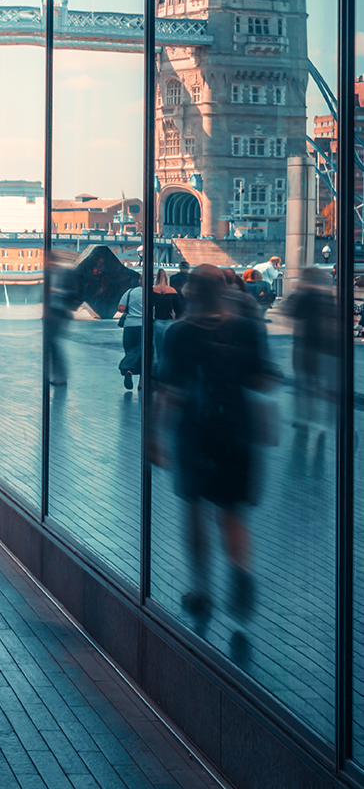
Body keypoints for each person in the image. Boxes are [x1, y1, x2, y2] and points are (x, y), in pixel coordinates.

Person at [155, 264, 273, 646]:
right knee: (233, 512)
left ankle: (201, 588)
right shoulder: (248, 328)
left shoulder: (180, 333)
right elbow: (263, 379)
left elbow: (170, 391)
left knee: (194, 512)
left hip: (195, 432)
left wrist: (156, 438)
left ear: (191, 293)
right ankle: (240, 568)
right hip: (237, 432)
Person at [285, 267, 337, 475]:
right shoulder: (326, 297)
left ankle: (304, 419)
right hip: (323, 348)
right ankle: (320, 421)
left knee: (302, 383)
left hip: (304, 346)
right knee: (317, 384)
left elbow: (290, 311)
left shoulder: (303, 295)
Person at [114, 277, 144, 391]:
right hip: (144, 326)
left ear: (139, 281)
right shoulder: (151, 293)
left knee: (130, 351)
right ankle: (141, 383)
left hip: (130, 326)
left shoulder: (130, 292)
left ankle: (128, 370)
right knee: (143, 354)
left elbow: (120, 308)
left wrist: (131, 310)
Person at [150, 268, 179, 372]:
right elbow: (178, 309)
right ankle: (169, 368)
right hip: (170, 321)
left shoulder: (153, 291)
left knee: (158, 348)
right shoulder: (173, 291)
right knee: (169, 347)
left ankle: (158, 368)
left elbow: (149, 308)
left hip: (157, 321)